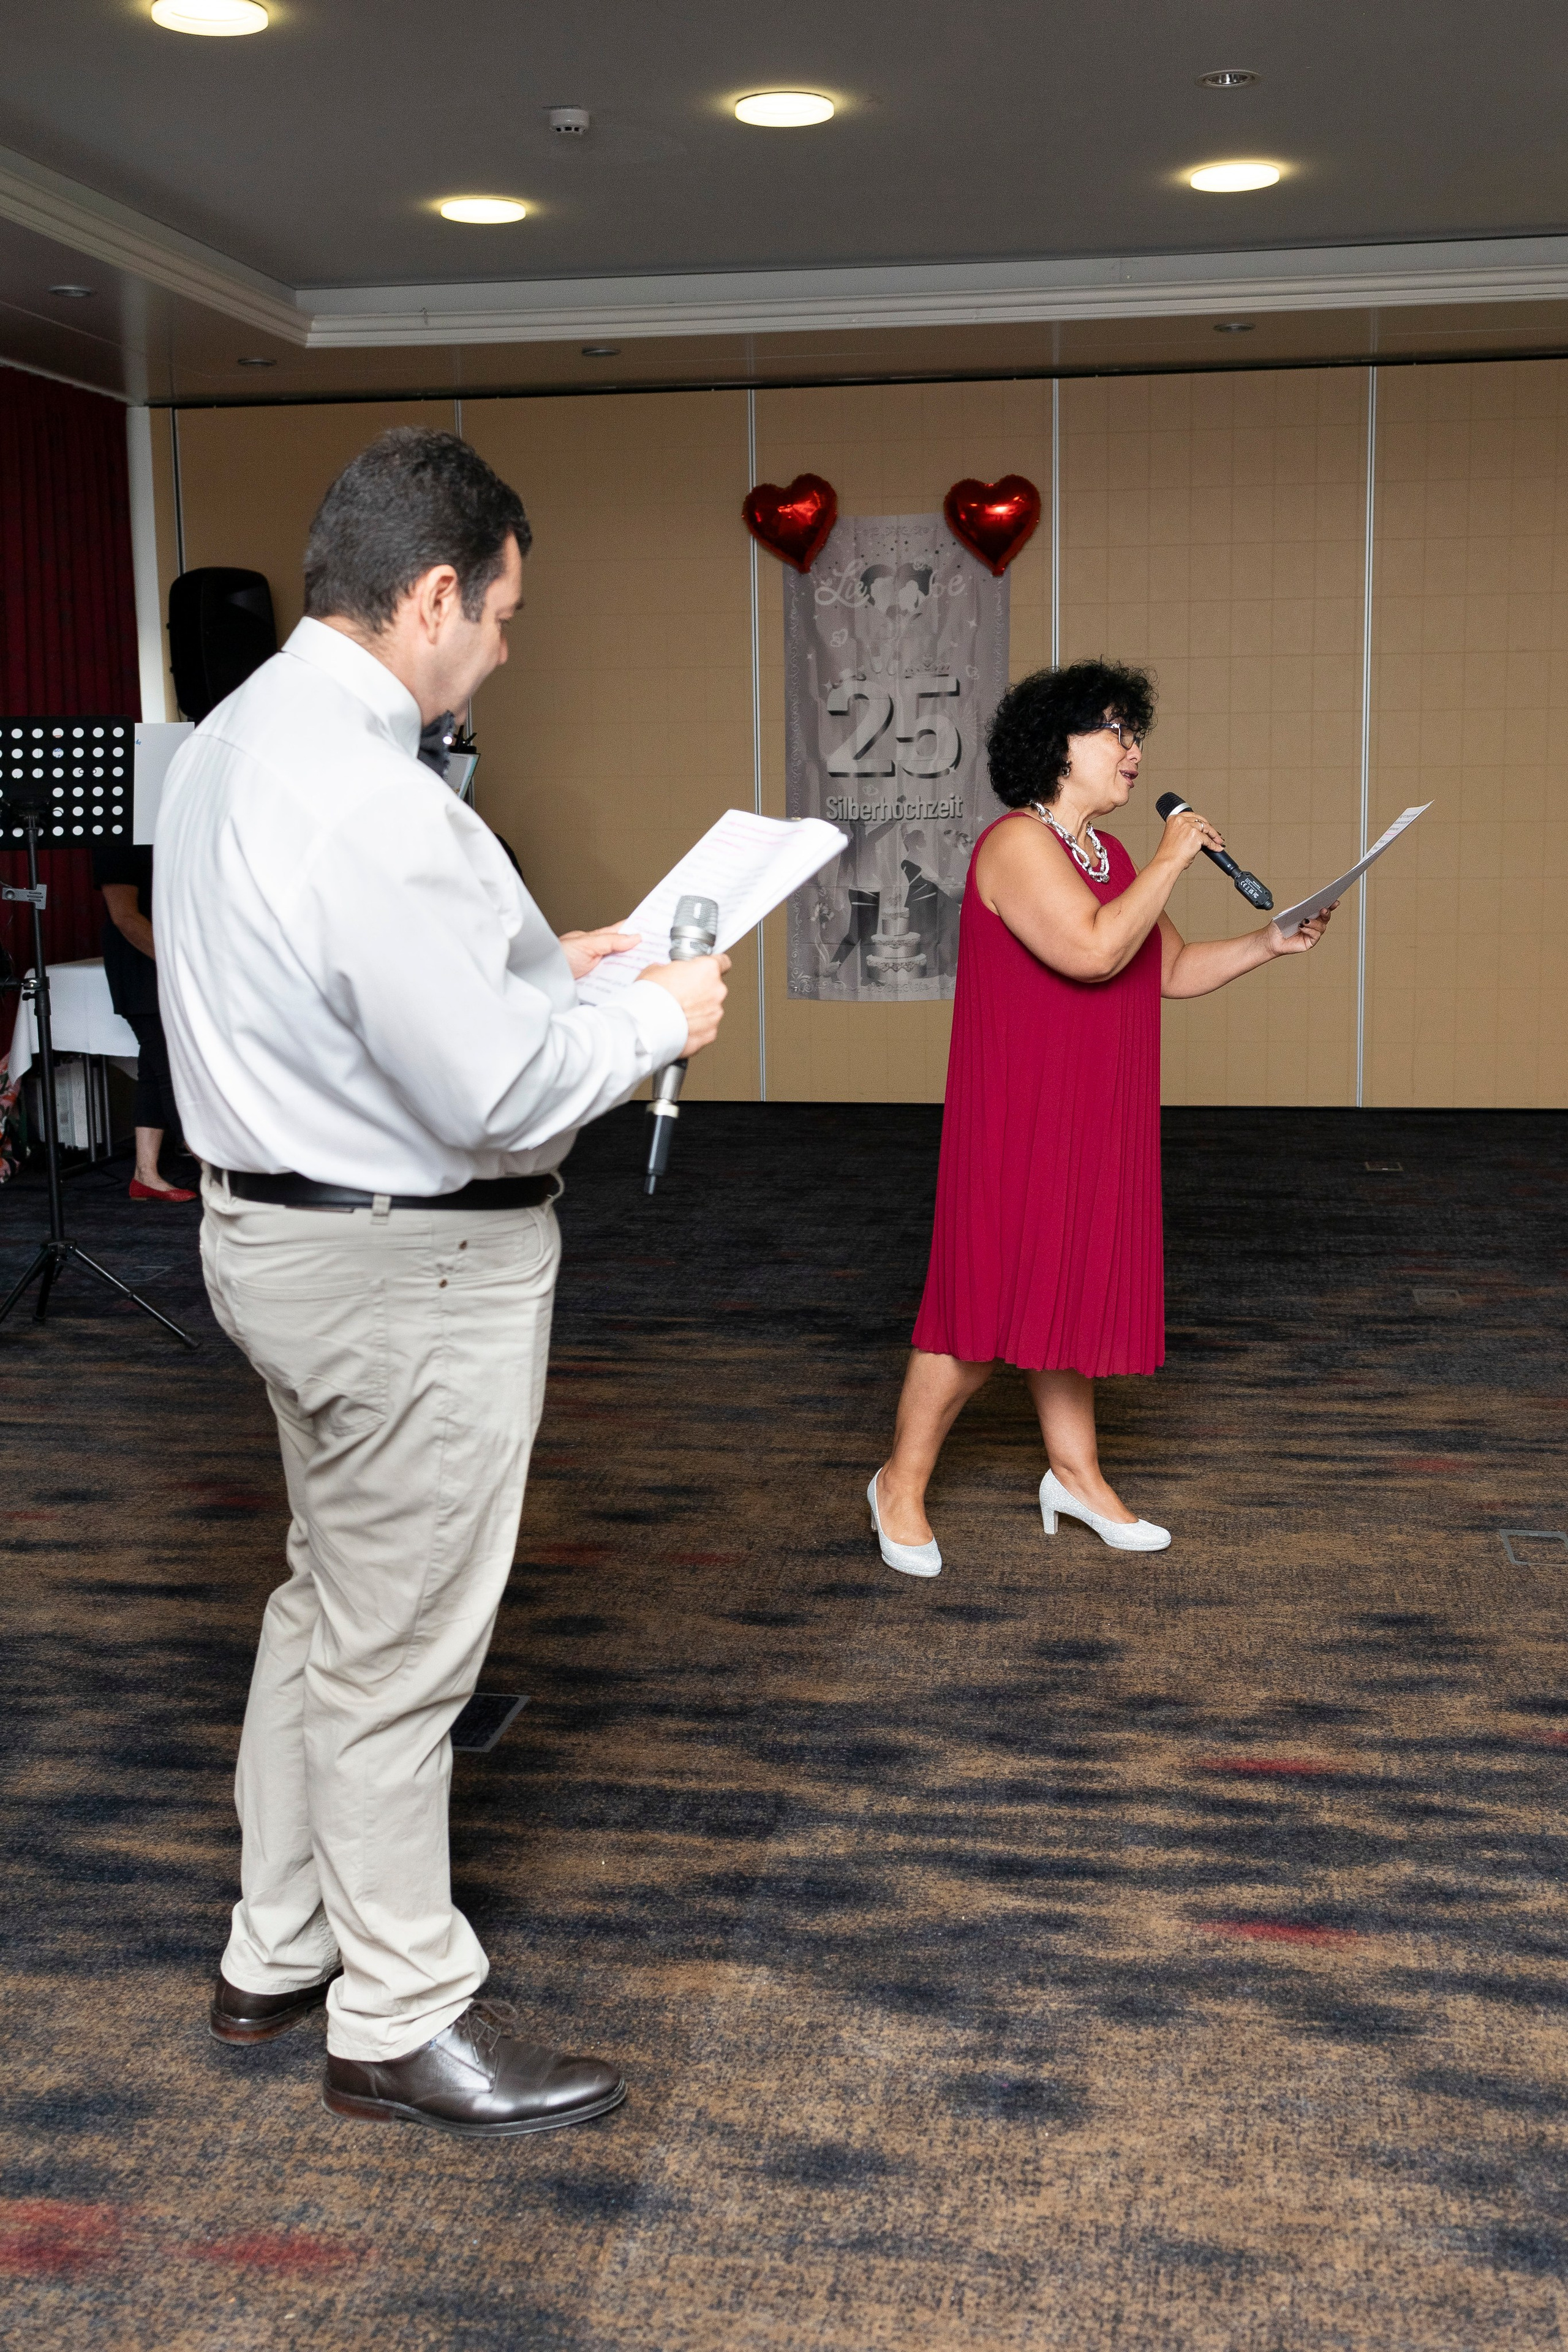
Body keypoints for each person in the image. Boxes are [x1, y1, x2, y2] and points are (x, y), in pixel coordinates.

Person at [155, 427, 728, 2138]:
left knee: (324, 1603)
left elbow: (317, 976)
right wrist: (651, 1019)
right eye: (501, 612)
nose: (506, 643)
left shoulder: (233, 743)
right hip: (404, 1275)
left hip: (275, 1236)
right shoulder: (374, 793)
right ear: (428, 594)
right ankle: (398, 2014)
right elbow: (493, 1093)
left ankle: (278, 1944)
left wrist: (537, 957)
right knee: (403, 1651)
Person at [868, 660, 1336, 1578]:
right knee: (979, 1312)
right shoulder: (1014, 846)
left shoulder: (1109, 857)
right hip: (1020, 1116)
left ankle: (1075, 1477)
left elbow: (1164, 969)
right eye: (1115, 732)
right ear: (1058, 748)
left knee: (1068, 1289)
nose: (1134, 750)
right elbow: (1090, 953)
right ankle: (898, 1484)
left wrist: (1269, 944)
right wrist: (1171, 858)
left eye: (1134, 732)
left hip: (1091, 1111)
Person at [90, 839, 196, 1200]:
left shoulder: (173, 825)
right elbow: (125, 917)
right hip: (142, 967)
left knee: (154, 1068)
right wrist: (179, 964)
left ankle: (145, 1175)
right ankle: (216, 1174)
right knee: (176, 1069)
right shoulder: (116, 841)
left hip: (169, 962)